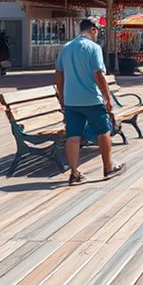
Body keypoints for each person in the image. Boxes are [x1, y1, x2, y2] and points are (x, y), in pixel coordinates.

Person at [55, 17, 124, 185]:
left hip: (71, 100)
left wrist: (63, 97)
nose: (97, 35)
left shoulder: (66, 47)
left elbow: (59, 73)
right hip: (92, 99)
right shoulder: (94, 48)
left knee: (73, 137)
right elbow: (99, 75)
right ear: (92, 30)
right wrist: (107, 97)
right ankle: (108, 168)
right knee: (103, 132)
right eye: (97, 31)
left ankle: (74, 173)